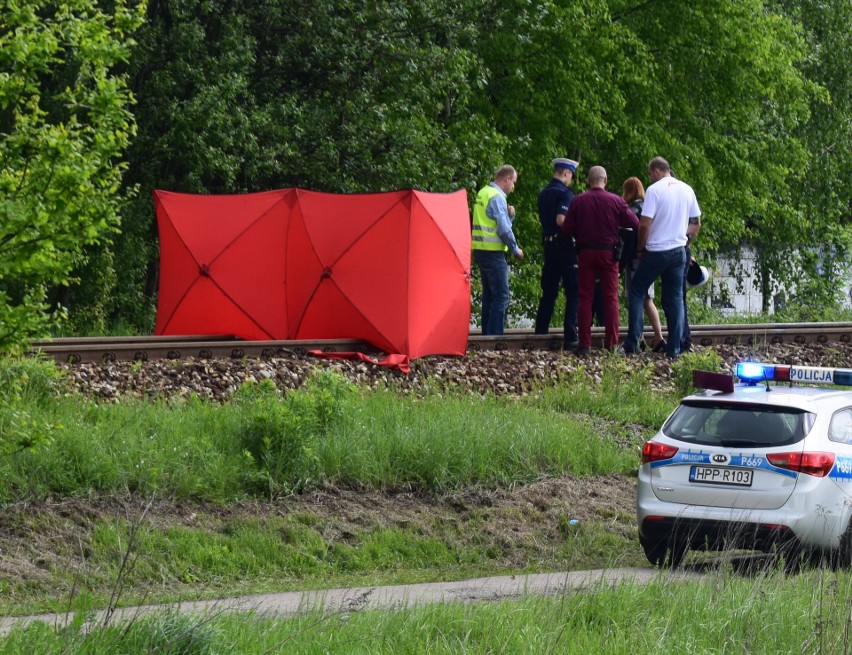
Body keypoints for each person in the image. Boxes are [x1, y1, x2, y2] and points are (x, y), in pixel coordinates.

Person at [624, 156, 701, 358]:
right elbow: (696, 223)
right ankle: (674, 349)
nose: (650, 177)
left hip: (657, 250)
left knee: (637, 291)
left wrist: (640, 249)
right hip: (678, 251)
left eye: (650, 173)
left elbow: (645, 224)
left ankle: (632, 343)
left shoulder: (655, 190)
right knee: (674, 299)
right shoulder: (687, 189)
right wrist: (686, 243)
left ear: (657, 171)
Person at [559, 165, 638, 354]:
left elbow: (566, 229)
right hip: (609, 254)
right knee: (611, 298)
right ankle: (611, 344)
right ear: (606, 180)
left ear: (589, 180)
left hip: (585, 253)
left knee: (585, 297)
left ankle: (584, 344)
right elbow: (634, 223)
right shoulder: (616, 201)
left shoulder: (578, 201)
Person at [471, 165, 524, 336]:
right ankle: (494, 338)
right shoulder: (497, 197)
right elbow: (503, 230)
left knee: (489, 296)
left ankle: (487, 336)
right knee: (501, 296)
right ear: (507, 179)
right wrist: (515, 249)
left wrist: (511, 217)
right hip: (493, 253)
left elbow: (492, 223)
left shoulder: (483, 192)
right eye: (513, 182)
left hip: (480, 250)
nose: (513, 187)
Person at [534, 157, 580, 349]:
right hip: (565, 247)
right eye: (570, 176)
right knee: (573, 292)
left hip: (549, 247)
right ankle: (571, 336)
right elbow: (561, 220)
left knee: (549, 292)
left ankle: (540, 331)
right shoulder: (565, 194)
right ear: (566, 173)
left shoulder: (543, 193)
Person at [621, 177, 666, 352]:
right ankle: (658, 336)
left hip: (636, 259)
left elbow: (627, 238)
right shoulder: (648, 208)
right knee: (648, 299)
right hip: (650, 257)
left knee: (639, 298)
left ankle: (639, 338)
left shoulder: (631, 210)